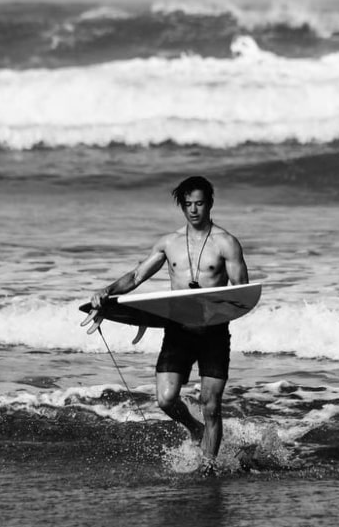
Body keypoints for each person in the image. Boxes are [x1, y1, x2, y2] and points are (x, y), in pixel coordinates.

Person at [90, 176, 249, 474]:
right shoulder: (169, 243)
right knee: (165, 399)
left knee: (211, 403)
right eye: (188, 204)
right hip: (178, 329)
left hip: (213, 330)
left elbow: (241, 293)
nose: (193, 210)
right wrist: (106, 292)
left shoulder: (226, 243)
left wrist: (221, 310)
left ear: (210, 203)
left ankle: (208, 468)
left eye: (199, 203)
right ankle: (195, 428)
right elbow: (136, 277)